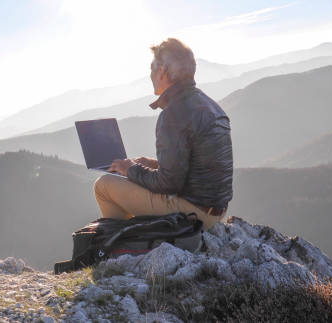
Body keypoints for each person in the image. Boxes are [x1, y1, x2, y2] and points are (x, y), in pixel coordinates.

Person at [96, 38, 233, 230]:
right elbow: (195, 167)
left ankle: (125, 245)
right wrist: (149, 164)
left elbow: (168, 185)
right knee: (128, 176)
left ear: (162, 71)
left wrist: (130, 170)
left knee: (104, 185)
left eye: (152, 68)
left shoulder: (173, 114)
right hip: (216, 211)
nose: (150, 74)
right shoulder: (211, 105)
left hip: (194, 214)